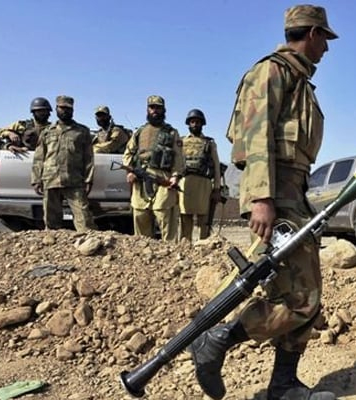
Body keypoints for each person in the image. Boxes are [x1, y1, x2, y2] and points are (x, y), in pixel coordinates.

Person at [189, 5, 339, 400]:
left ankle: (283, 384)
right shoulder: (272, 72)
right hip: (277, 193)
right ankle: (219, 338)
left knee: (304, 293)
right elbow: (255, 138)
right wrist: (260, 199)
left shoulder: (299, 80)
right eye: (324, 38)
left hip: (294, 193)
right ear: (311, 33)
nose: (327, 47)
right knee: (302, 299)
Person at [122, 95, 183, 241]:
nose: (155, 110)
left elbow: (179, 158)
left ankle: (171, 255)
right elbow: (128, 153)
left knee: (165, 217)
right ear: (147, 109)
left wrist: (175, 176)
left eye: (158, 107)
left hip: (163, 179)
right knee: (140, 216)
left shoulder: (172, 133)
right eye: (152, 107)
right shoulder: (139, 132)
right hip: (140, 179)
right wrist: (130, 171)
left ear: (164, 110)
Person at [30, 96, 96, 231]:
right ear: (56, 109)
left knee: (84, 220)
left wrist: (89, 180)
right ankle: (52, 249)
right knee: (51, 221)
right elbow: (39, 157)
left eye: (68, 108)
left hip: (74, 179)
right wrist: (36, 179)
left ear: (73, 110)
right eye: (62, 108)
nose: (65, 111)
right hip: (50, 179)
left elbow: (89, 157)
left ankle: (88, 246)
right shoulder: (47, 131)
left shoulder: (82, 131)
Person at [179, 109, 223, 241]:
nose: (195, 124)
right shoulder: (181, 142)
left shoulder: (209, 143)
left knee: (204, 220)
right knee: (185, 219)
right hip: (185, 184)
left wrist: (216, 188)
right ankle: (185, 248)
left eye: (198, 122)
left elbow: (216, 166)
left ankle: (203, 248)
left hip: (203, 185)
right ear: (188, 124)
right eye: (192, 122)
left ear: (202, 124)